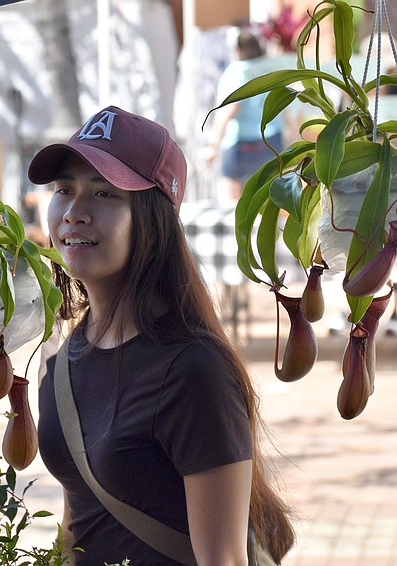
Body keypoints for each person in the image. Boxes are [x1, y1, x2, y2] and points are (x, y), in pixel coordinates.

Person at [29, 105, 295, 565]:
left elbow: (224, 560)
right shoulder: (62, 359)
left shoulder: (193, 370)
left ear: (152, 220)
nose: (74, 212)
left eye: (104, 194)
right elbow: (79, 523)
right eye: (64, 189)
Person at [205, 28, 284, 201]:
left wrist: (212, 145)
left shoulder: (237, 71)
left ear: (238, 50)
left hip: (241, 144)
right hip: (271, 140)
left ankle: (237, 229)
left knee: (231, 198)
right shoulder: (269, 69)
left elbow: (229, 109)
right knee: (272, 199)